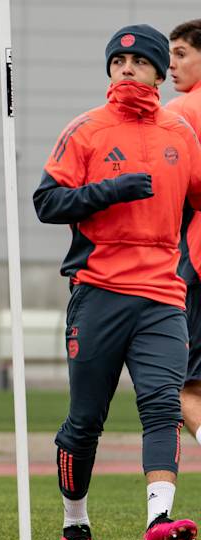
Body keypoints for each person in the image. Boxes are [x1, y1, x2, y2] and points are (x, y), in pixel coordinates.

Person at [33, 24, 201, 540]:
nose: (126, 69)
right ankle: (75, 521)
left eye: (138, 61)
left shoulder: (181, 132)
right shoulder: (85, 130)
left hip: (163, 295)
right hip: (99, 292)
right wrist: (109, 190)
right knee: (85, 421)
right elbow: (46, 203)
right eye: (117, 61)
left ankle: (159, 520)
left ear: (157, 70)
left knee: (160, 407)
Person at [168, 20, 201, 452]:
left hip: (196, 256)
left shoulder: (179, 112)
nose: (169, 64)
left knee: (185, 388)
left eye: (180, 54)